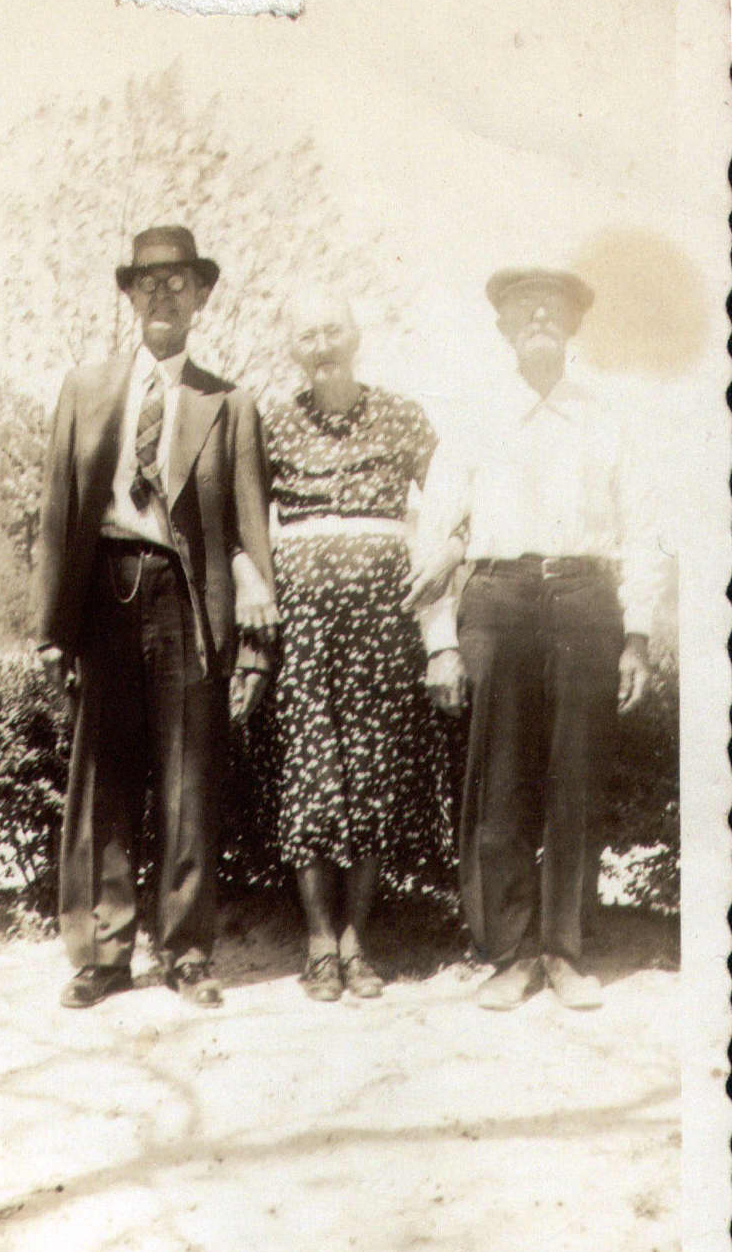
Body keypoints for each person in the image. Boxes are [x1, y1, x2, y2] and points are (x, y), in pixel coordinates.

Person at [405, 266, 662, 1010]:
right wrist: (440, 640)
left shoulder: (607, 419)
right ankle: (509, 953)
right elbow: (434, 534)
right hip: (499, 598)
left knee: (575, 779)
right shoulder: (474, 419)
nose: (541, 317)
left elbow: (643, 532)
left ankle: (564, 950)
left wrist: (637, 635)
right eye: (525, 308)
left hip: (584, 599)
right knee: (500, 780)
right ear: (504, 327)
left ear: (574, 325)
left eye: (555, 308)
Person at [37, 225, 279, 1010]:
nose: (163, 294)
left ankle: (187, 952)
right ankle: (102, 955)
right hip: (104, 592)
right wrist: (51, 631)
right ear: (130, 295)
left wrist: (255, 643)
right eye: (149, 281)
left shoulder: (229, 404)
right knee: (102, 782)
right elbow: (56, 514)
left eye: (179, 281)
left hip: (187, 601)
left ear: (202, 296)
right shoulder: (85, 389)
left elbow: (249, 529)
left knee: (187, 782)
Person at [261, 289, 455, 1002]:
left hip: (383, 620)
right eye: (308, 335)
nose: (323, 346)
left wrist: (452, 548)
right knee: (309, 770)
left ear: (357, 335)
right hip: (302, 622)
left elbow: (454, 498)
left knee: (373, 769)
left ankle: (356, 940)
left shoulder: (402, 415)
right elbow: (242, 520)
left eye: (333, 330)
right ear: (293, 349)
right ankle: (319, 941)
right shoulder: (272, 424)